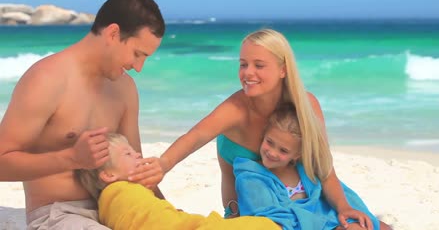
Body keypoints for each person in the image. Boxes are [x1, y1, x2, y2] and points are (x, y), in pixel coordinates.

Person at [148, 28, 375, 227]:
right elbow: (195, 136)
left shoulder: (306, 107)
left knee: (371, 226)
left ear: (283, 69)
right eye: (243, 64)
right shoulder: (236, 109)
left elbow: (324, 169)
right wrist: (163, 164)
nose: (248, 73)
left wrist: (343, 207)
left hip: (311, 197)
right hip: (255, 210)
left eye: (259, 65)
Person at [0, 0, 166, 229]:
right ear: (113, 33)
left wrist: (168, 211)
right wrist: (71, 158)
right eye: (137, 54)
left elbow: (137, 174)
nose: (138, 67)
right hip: (59, 214)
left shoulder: (125, 88)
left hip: (118, 206)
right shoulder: (47, 79)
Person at [234, 102, 391, 230]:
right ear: (264, 135)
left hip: (329, 219)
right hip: (301, 226)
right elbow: (268, 217)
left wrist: (344, 215)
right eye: (269, 142)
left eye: (283, 150)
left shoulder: (305, 170)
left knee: (374, 227)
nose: (272, 153)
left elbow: (333, 195)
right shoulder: (251, 177)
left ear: (297, 155)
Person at [76, 132, 280, 230]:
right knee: (263, 226)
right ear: (109, 175)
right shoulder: (119, 194)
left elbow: (160, 214)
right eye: (128, 153)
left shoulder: (131, 192)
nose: (138, 154)